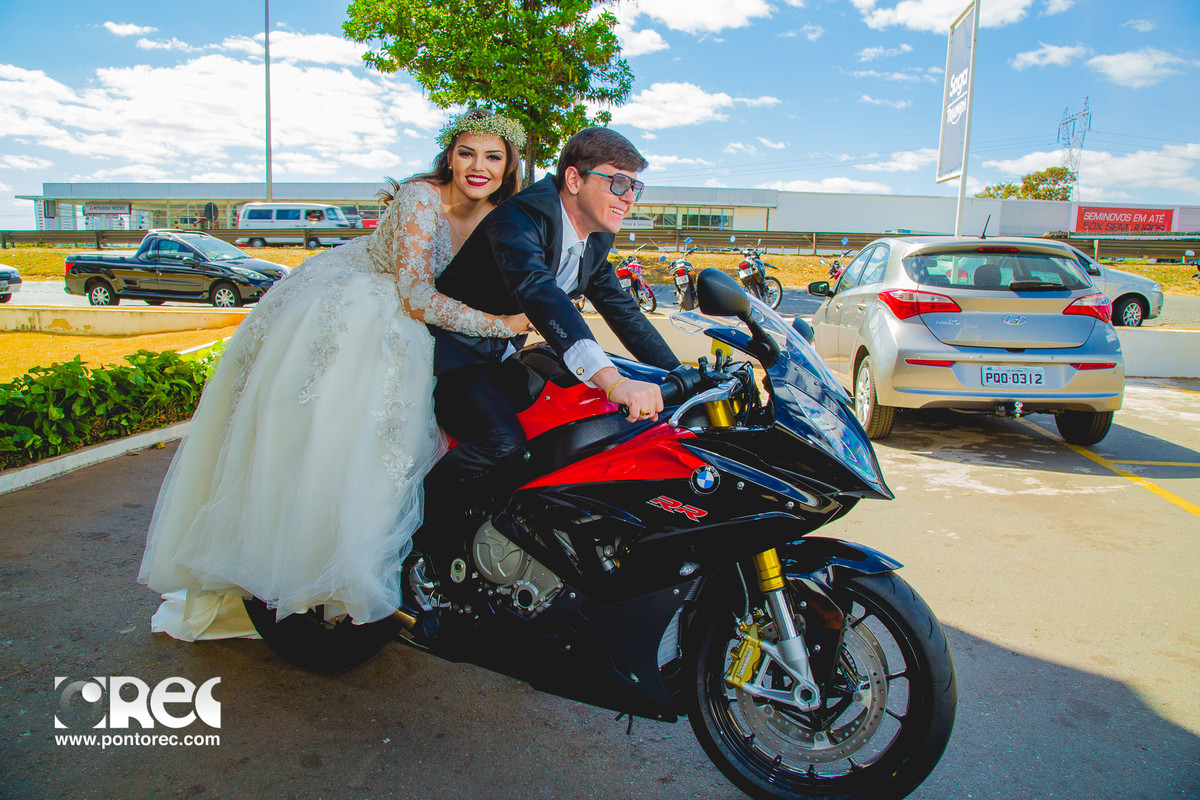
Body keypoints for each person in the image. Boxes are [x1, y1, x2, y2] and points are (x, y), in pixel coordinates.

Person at [138, 109, 531, 640]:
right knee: (338, 442)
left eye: (492, 156)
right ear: (450, 155)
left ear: (509, 166)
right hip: (362, 303)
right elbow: (414, 294)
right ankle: (301, 573)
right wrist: (499, 325)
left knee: (400, 448)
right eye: (467, 153)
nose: (477, 167)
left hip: (424, 318)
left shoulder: (499, 214)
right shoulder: (420, 198)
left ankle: (389, 566)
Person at [423, 127, 682, 532]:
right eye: (617, 181)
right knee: (502, 443)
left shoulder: (595, 239)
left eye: (635, 186)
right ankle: (421, 534)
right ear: (574, 179)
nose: (628, 196)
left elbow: (622, 310)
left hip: (503, 358)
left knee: (567, 438)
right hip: (454, 358)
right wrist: (613, 382)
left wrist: (679, 374)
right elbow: (538, 292)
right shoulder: (518, 217)